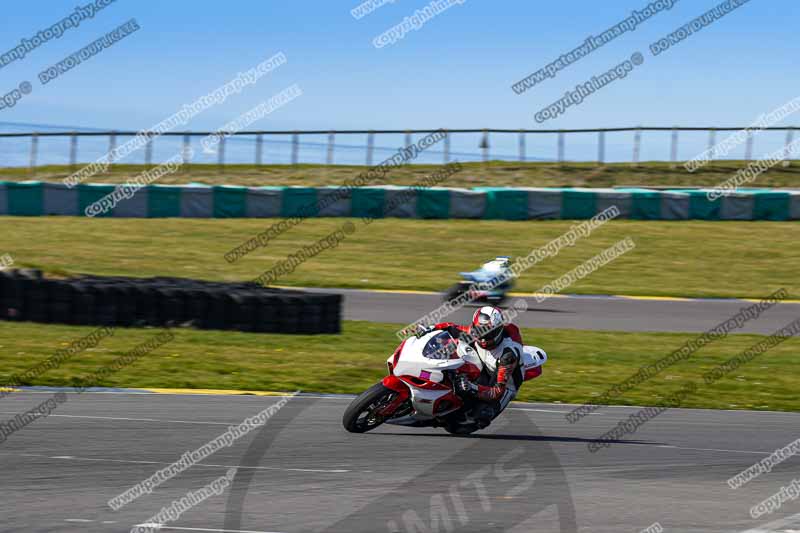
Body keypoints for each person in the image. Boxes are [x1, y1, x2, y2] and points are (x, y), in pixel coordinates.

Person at [420, 305, 542, 428]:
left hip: (502, 385)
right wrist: (429, 329)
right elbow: (451, 328)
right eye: (479, 332)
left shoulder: (507, 356)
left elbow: (497, 392)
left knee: (482, 414)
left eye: (488, 334)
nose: (483, 339)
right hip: (483, 364)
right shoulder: (477, 332)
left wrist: (471, 387)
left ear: (498, 330)